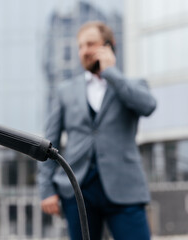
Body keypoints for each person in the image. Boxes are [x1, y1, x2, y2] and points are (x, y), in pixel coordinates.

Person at [38, 21, 157, 240]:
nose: (84, 51)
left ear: (110, 46)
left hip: (125, 188)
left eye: (90, 44)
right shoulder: (65, 91)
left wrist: (111, 73)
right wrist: (46, 189)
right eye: (80, 46)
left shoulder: (131, 84)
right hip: (78, 189)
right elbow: (49, 142)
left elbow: (148, 106)